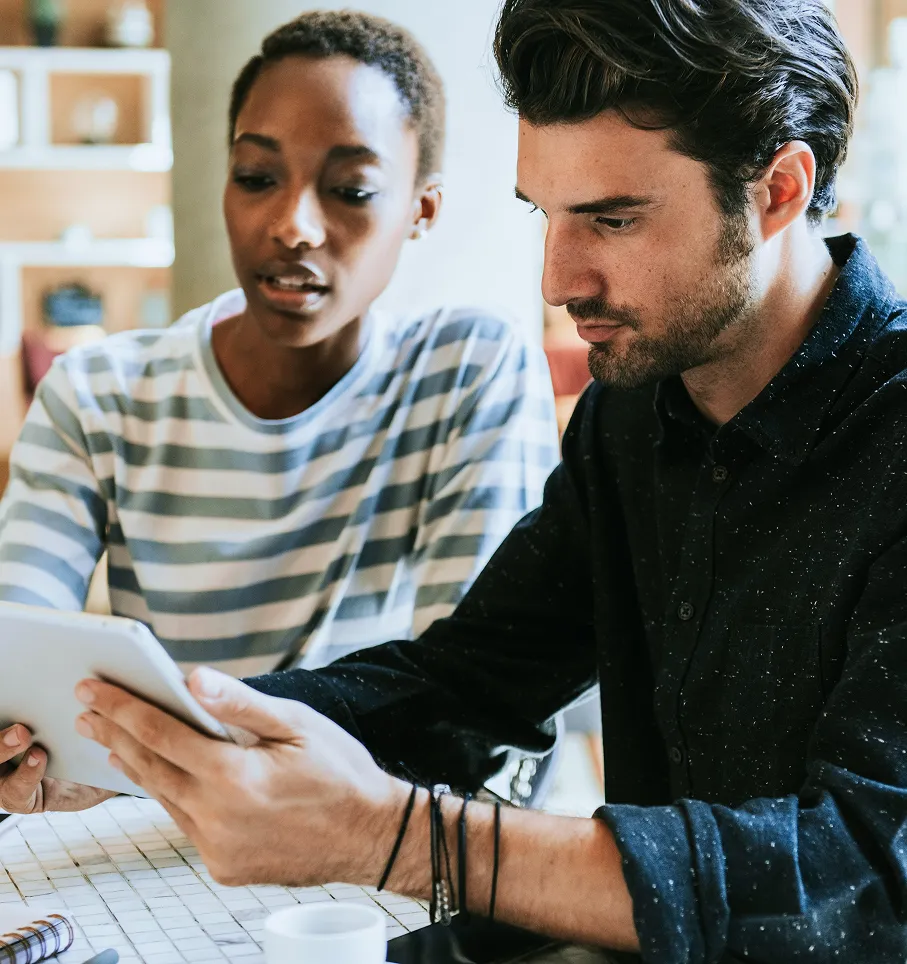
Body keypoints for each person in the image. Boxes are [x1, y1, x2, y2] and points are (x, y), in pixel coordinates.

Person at [9, 0, 907, 959]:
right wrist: (152, 739)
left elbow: (861, 878)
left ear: (777, 190)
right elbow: (465, 685)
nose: (558, 281)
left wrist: (389, 836)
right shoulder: (634, 414)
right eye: (546, 216)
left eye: (612, 219)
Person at [0, 12, 558, 812]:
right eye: (256, 177)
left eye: (351, 190)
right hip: (155, 831)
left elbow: (472, 704)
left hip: (367, 827)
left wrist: (167, 746)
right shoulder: (97, 393)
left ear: (421, 211)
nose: (291, 225)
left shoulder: (466, 368)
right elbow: (20, 659)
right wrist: (25, 751)